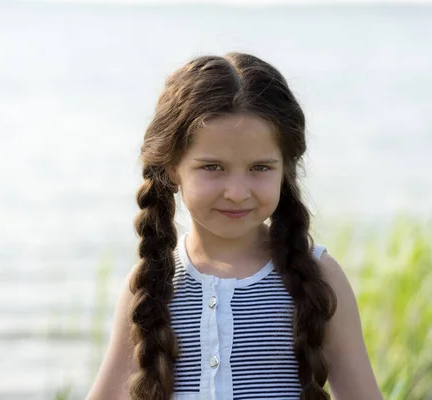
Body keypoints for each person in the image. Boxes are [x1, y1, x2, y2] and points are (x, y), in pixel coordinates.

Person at [85, 52, 383, 400]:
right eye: (213, 168)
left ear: (285, 168)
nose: (238, 193)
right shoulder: (151, 285)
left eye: (260, 168)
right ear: (171, 167)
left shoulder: (318, 277)